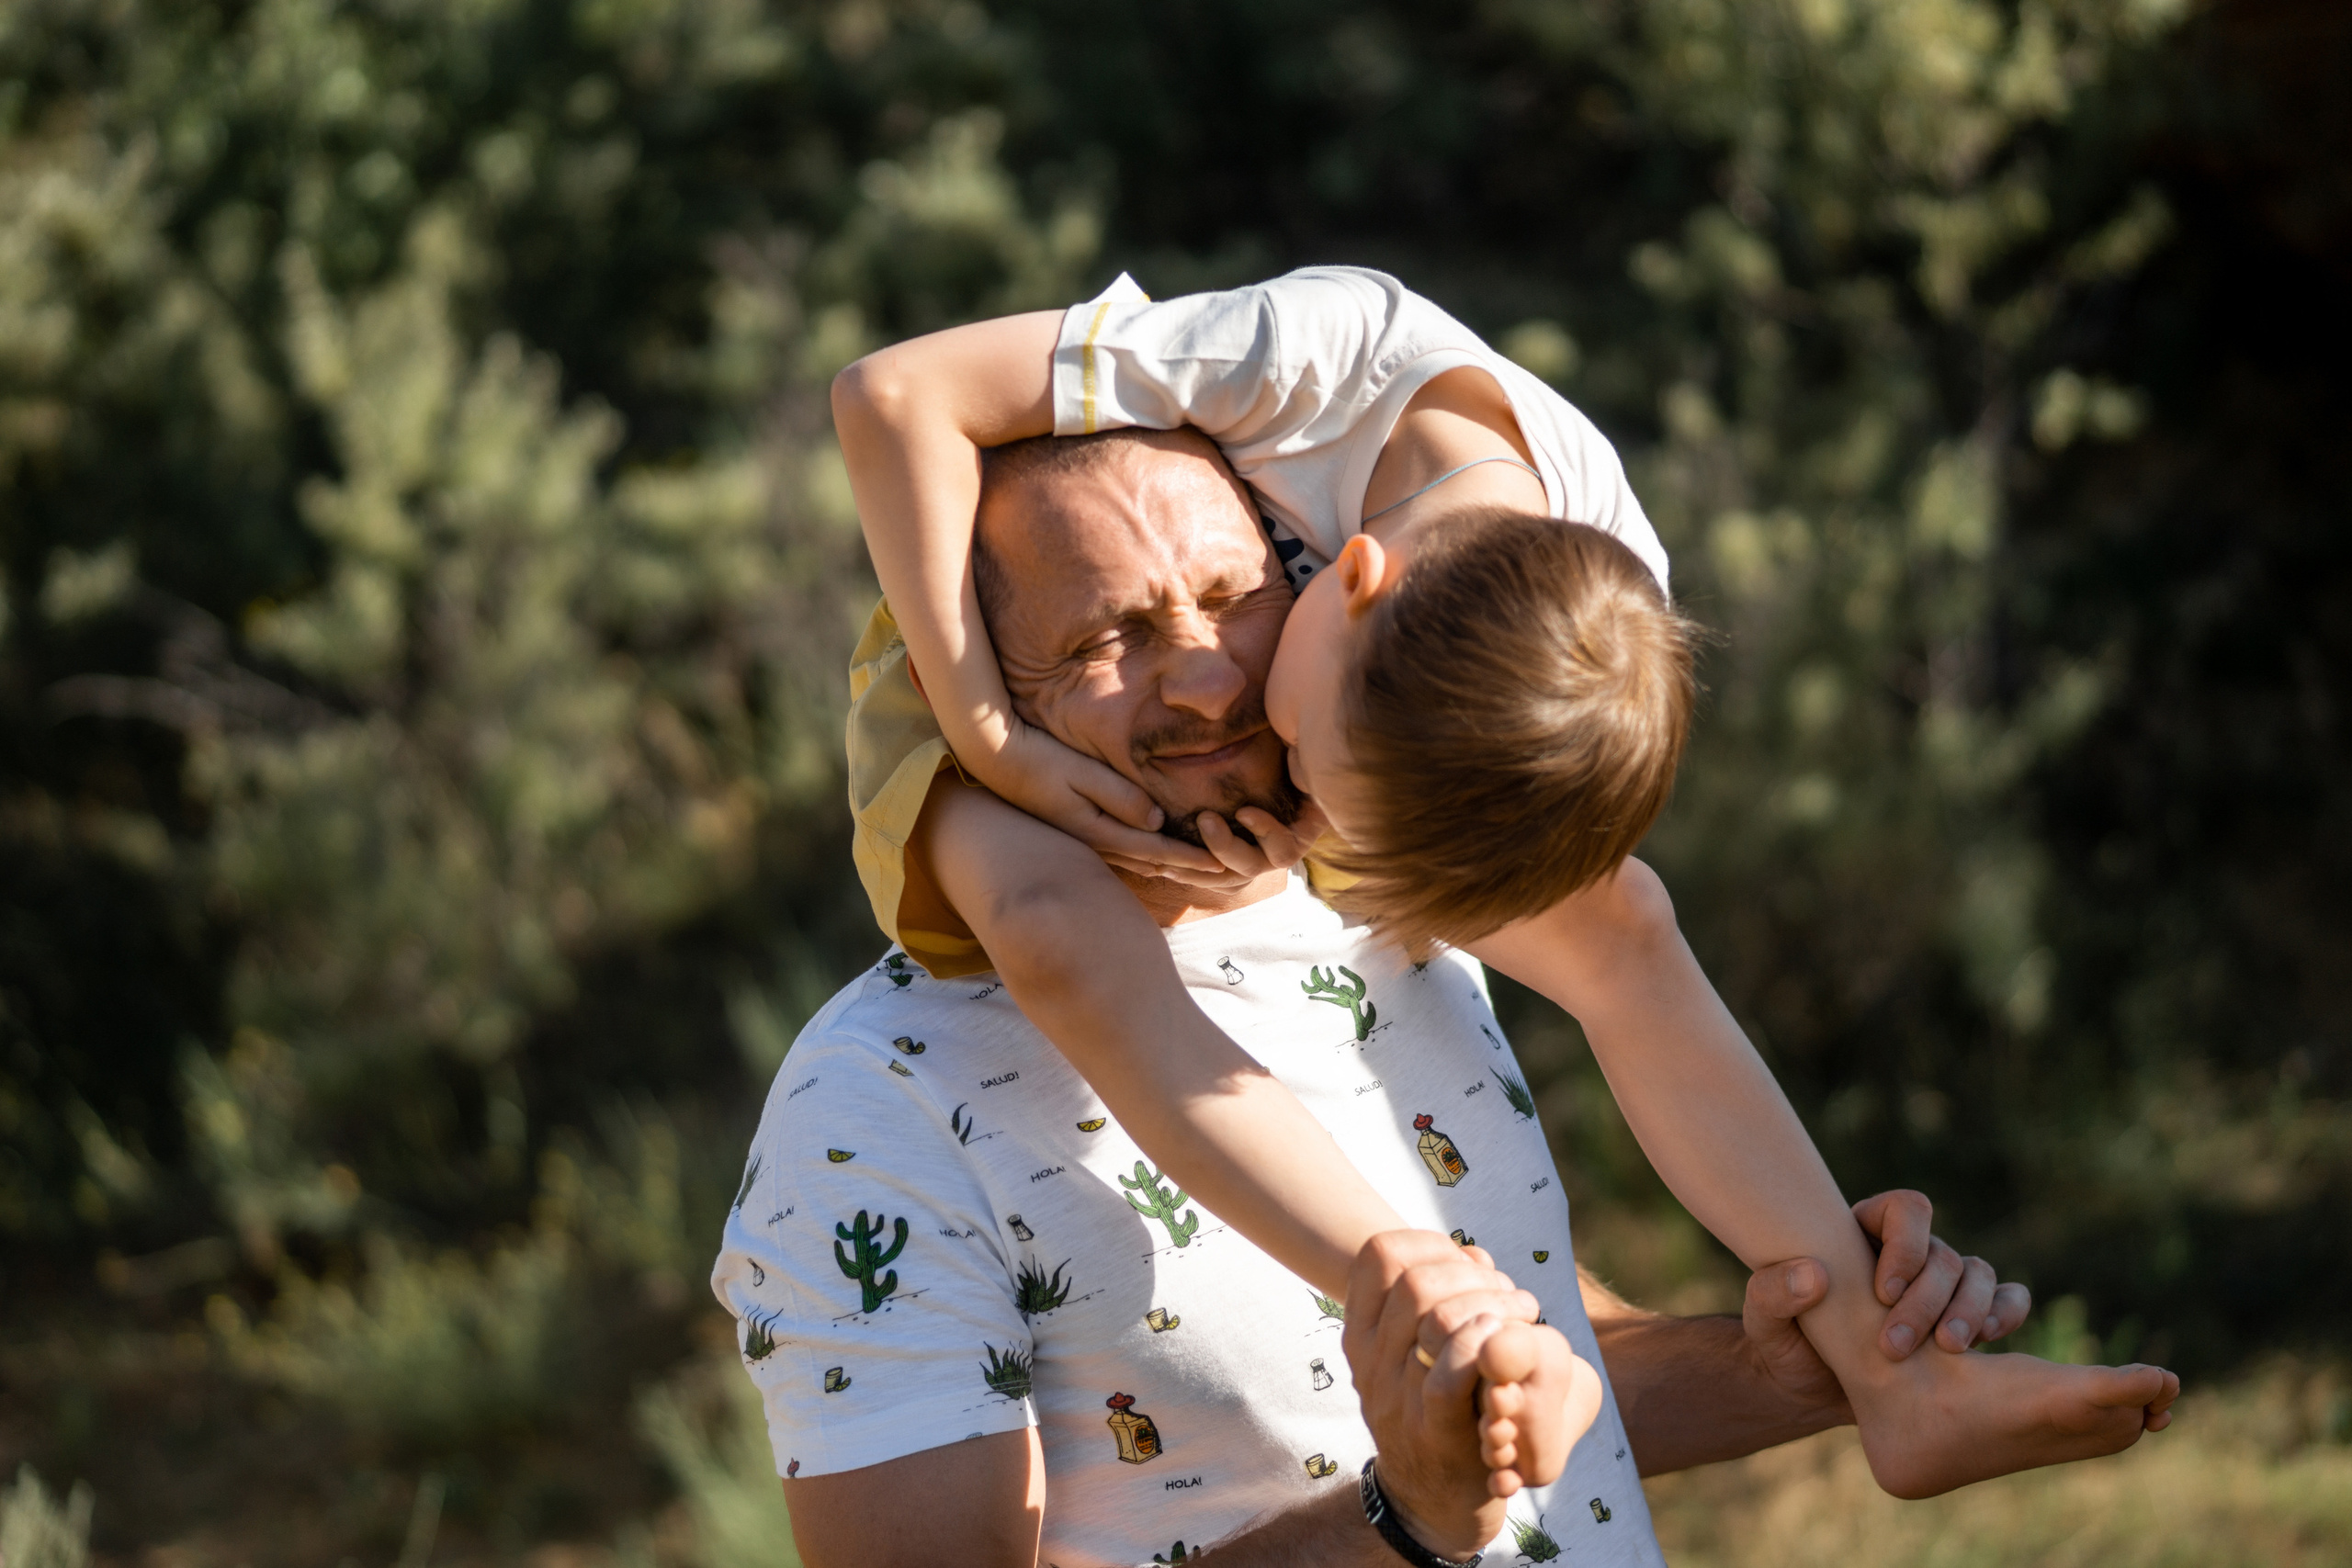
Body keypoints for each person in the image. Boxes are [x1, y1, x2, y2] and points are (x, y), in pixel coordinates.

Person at [712, 427, 2173, 1567]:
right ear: (982, 702)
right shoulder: (878, 1109)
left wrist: (1802, 1371)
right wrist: (1404, 1525)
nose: (1206, 679)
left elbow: (1526, 1370)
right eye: (1103, 645)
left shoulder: (1391, 929)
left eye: (1230, 597)